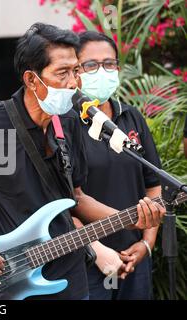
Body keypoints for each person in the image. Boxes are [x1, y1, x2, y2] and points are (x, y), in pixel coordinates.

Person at [0, 23, 165, 300]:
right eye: (62, 73)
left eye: (75, 70)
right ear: (32, 80)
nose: (74, 82)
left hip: (71, 281)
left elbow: (77, 198)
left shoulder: (70, 123)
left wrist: (130, 221)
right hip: (7, 280)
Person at [76, 31, 162, 300]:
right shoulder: (65, 123)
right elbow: (63, 200)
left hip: (134, 256)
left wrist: (146, 244)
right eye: (91, 65)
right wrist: (97, 250)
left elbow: (154, 185)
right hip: (87, 261)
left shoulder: (131, 117)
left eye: (109, 63)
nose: (101, 71)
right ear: (74, 70)